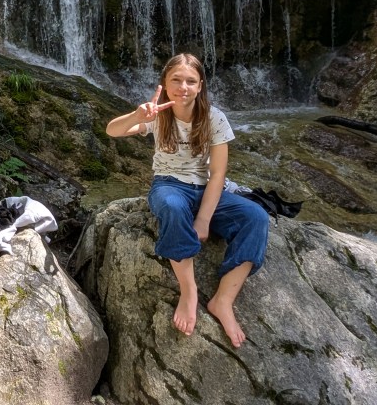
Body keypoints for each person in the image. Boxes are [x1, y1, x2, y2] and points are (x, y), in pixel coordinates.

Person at [105, 53, 268, 348]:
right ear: (165, 84)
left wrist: (204, 219)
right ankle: (189, 290)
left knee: (256, 217)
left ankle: (223, 300)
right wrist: (137, 117)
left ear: (200, 85)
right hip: (169, 186)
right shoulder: (158, 115)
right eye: (176, 80)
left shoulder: (214, 118)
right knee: (172, 206)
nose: (183, 87)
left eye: (191, 81)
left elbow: (218, 174)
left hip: (207, 189)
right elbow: (112, 130)